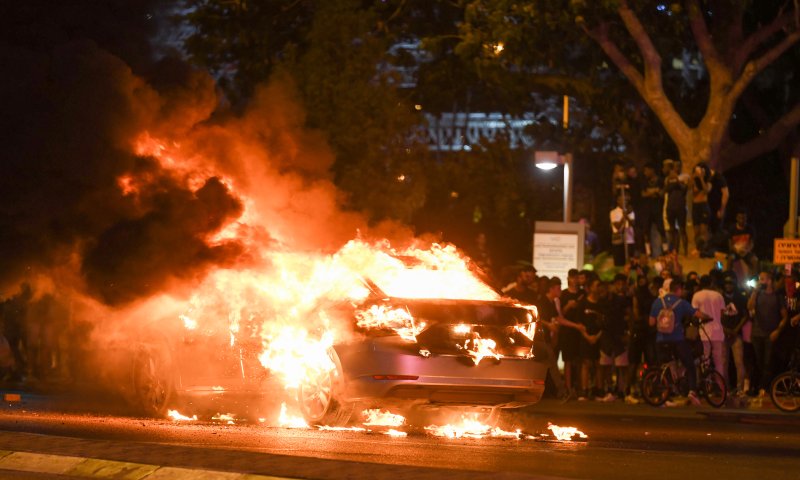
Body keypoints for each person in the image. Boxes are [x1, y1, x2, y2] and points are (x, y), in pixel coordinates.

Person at [649, 278, 708, 406]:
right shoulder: (681, 303)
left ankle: (664, 396)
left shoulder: (658, 302)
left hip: (661, 340)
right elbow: (697, 314)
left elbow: (651, 322)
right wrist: (708, 317)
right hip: (677, 340)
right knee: (690, 365)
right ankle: (692, 391)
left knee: (665, 366)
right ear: (678, 289)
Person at [747, 271, 789, 395]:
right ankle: (759, 386)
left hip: (770, 335)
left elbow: (785, 316)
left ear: (769, 281)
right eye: (759, 279)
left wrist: (778, 331)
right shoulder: (757, 294)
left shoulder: (777, 296)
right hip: (757, 334)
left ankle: (764, 388)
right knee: (759, 362)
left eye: (762, 279)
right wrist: (754, 292)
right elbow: (749, 307)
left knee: (768, 362)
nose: (760, 281)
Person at [598, 274, 632, 401]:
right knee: (606, 365)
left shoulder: (622, 300)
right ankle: (609, 390)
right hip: (607, 336)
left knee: (622, 365)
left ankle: (624, 390)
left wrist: (628, 333)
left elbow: (630, 315)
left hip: (619, 335)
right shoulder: (602, 302)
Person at [534, 277, 568, 399]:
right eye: (558, 288)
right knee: (552, 364)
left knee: (545, 365)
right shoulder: (542, 301)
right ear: (551, 289)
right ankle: (561, 391)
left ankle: (544, 391)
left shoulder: (551, 302)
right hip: (540, 339)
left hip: (546, 338)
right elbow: (536, 317)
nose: (560, 290)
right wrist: (549, 325)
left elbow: (557, 318)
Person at [691, 275, 727, 382]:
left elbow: (694, 313)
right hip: (718, 331)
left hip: (704, 331)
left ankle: (707, 384)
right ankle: (720, 385)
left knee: (706, 359)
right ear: (711, 283)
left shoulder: (697, 295)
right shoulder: (718, 295)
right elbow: (722, 313)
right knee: (719, 361)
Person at [576, 278, 606, 400]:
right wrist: (587, 336)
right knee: (586, 363)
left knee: (599, 364)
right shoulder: (583, 303)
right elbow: (579, 322)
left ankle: (599, 390)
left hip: (598, 338)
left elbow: (604, 324)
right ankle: (584, 390)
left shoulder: (602, 304)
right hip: (585, 337)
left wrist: (597, 337)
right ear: (590, 287)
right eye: (596, 285)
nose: (598, 288)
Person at [559, 269, 587, 399]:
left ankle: (579, 387)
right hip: (567, 332)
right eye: (573, 277)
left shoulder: (582, 293)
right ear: (568, 279)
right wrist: (568, 306)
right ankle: (568, 387)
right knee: (568, 361)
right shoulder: (564, 294)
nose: (575, 280)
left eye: (577, 277)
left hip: (580, 331)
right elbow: (560, 314)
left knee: (580, 360)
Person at [721, 273, 750, 395]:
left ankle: (740, 388)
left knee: (739, 362)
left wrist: (735, 330)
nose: (728, 285)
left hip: (736, 334)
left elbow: (745, 315)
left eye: (731, 283)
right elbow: (716, 315)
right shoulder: (720, 298)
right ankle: (725, 388)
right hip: (723, 333)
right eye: (726, 283)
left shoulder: (741, 298)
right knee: (723, 363)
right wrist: (725, 330)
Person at [2, 283, 33, 382]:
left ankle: (18, 371)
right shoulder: (12, 303)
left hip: (14, 331)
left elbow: (18, 319)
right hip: (12, 331)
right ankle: (16, 371)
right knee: (12, 350)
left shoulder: (18, 303)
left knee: (13, 350)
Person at [639, 163, 665, 258]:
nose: (645, 173)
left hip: (658, 209)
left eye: (646, 170)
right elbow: (643, 194)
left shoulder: (660, 181)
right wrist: (655, 192)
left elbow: (662, 193)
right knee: (646, 231)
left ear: (652, 170)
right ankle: (648, 252)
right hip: (647, 210)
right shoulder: (644, 182)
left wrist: (650, 192)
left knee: (661, 230)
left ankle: (665, 250)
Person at [664, 161, 689, 256]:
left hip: (680, 206)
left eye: (678, 166)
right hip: (671, 206)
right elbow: (666, 190)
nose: (677, 168)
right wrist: (670, 181)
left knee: (682, 229)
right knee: (672, 229)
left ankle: (685, 252)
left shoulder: (685, 177)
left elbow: (684, 189)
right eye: (675, 167)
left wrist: (677, 180)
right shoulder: (668, 178)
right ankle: (675, 250)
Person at [729, 210, 757, 285]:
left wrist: (747, 250)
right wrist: (736, 251)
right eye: (740, 218)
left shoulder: (750, 229)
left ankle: (752, 280)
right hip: (736, 252)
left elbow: (752, 243)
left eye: (743, 218)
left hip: (746, 251)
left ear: (746, 218)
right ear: (737, 218)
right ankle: (729, 277)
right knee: (730, 259)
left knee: (754, 260)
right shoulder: (732, 229)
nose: (742, 220)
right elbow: (730, 244)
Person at [691, 163, 712, 256]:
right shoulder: (694, 183)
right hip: (695, 207)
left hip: (703, 206)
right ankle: (698, 249)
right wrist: (694, 176)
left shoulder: (708, 183)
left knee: (703, 231)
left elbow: (706, 190)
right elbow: (689, 188)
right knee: (696, 232)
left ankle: (704, 250)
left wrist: (701, 178)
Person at [610, 193, 635, 266]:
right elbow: (617, 226)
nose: (625, 202)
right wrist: (623, 217)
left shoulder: (630, 211)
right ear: (618, 201)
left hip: (629, 235)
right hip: (618, 236)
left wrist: (627, 215)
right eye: (623, 200)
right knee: (619, 258)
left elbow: (632, 223)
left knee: (629, 258)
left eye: (626, 200)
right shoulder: (613, 212)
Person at [707, 166, 729, 235]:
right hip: (709, 208)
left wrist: (721, 209)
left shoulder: (719, 177)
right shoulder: (706, 179)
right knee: (710, 231)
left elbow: (726, 194)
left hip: (717, 207)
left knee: (717, 231)